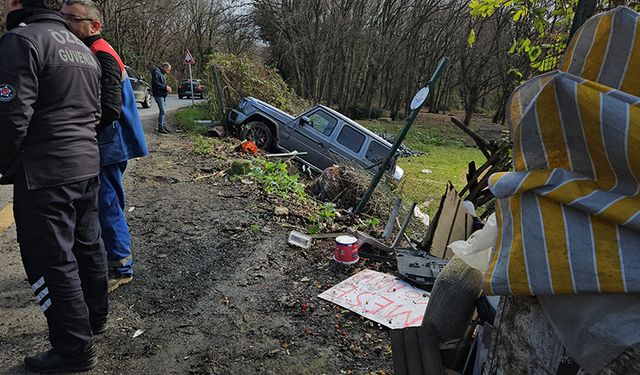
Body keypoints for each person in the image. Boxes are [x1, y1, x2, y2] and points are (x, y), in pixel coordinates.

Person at [0, 0, 107, 372]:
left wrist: (5, 165)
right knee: (87, 246)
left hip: (45, 173)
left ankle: (74, 350)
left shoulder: (22, 40)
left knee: (51, 261)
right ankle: (94, 320)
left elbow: (12, 115)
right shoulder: (81, 47)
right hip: (86, 164)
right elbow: (95, 112)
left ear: (17, 3)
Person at [61, 0, 149, 292]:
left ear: (94, 25)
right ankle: (111, 260)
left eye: (72, 19)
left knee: (108, 204)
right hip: (109, 142)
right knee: (107, 203)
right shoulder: (94, 51)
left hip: (110, 143)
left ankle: (122, 267)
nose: (66, 24)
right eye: (63, 17)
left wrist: (83, 130)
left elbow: (110, 107)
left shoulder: (101, 54)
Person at [151, 62, 172, 134]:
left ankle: (163, 125)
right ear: (165, 68)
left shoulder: (162, 74)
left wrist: (167, 88)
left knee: (164, 111)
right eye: (168, 70)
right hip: (158, 94)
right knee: (162, 110)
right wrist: (165, 87)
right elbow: (155, 83)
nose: (168, 72)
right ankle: (160, 127)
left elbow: (162, 83)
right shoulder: (156, 72)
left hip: (163, 94)